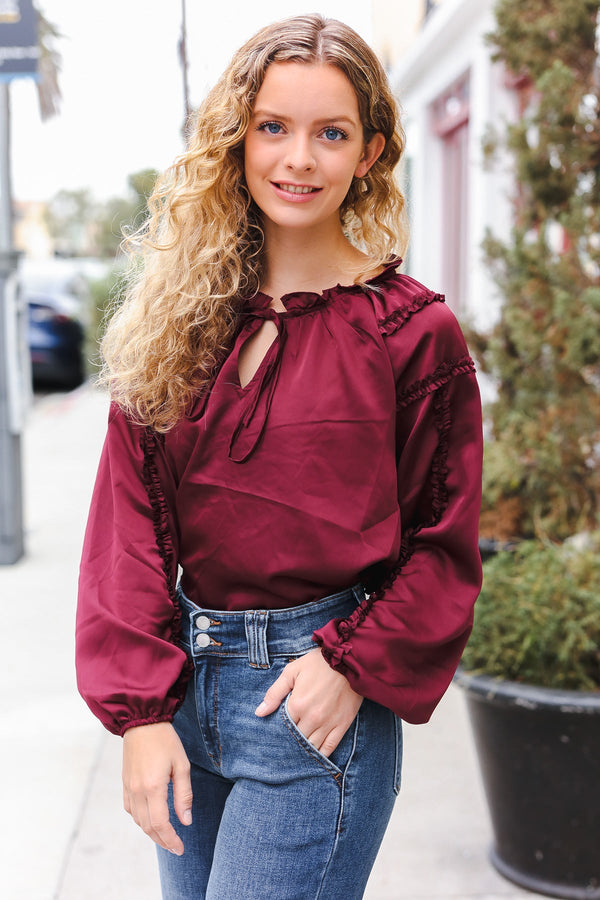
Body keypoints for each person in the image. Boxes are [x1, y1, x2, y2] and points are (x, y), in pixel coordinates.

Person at [76, 13, 483, 900]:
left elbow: (443, 539)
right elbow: (128, 522)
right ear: (237, 138)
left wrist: (349, 663)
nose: (299, 158)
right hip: (187, 693)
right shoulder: (178, 318)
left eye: (330, 133)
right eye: (274, 127)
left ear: (370, 152)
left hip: (310, 701)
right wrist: (141, 714)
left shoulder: (412, 335)